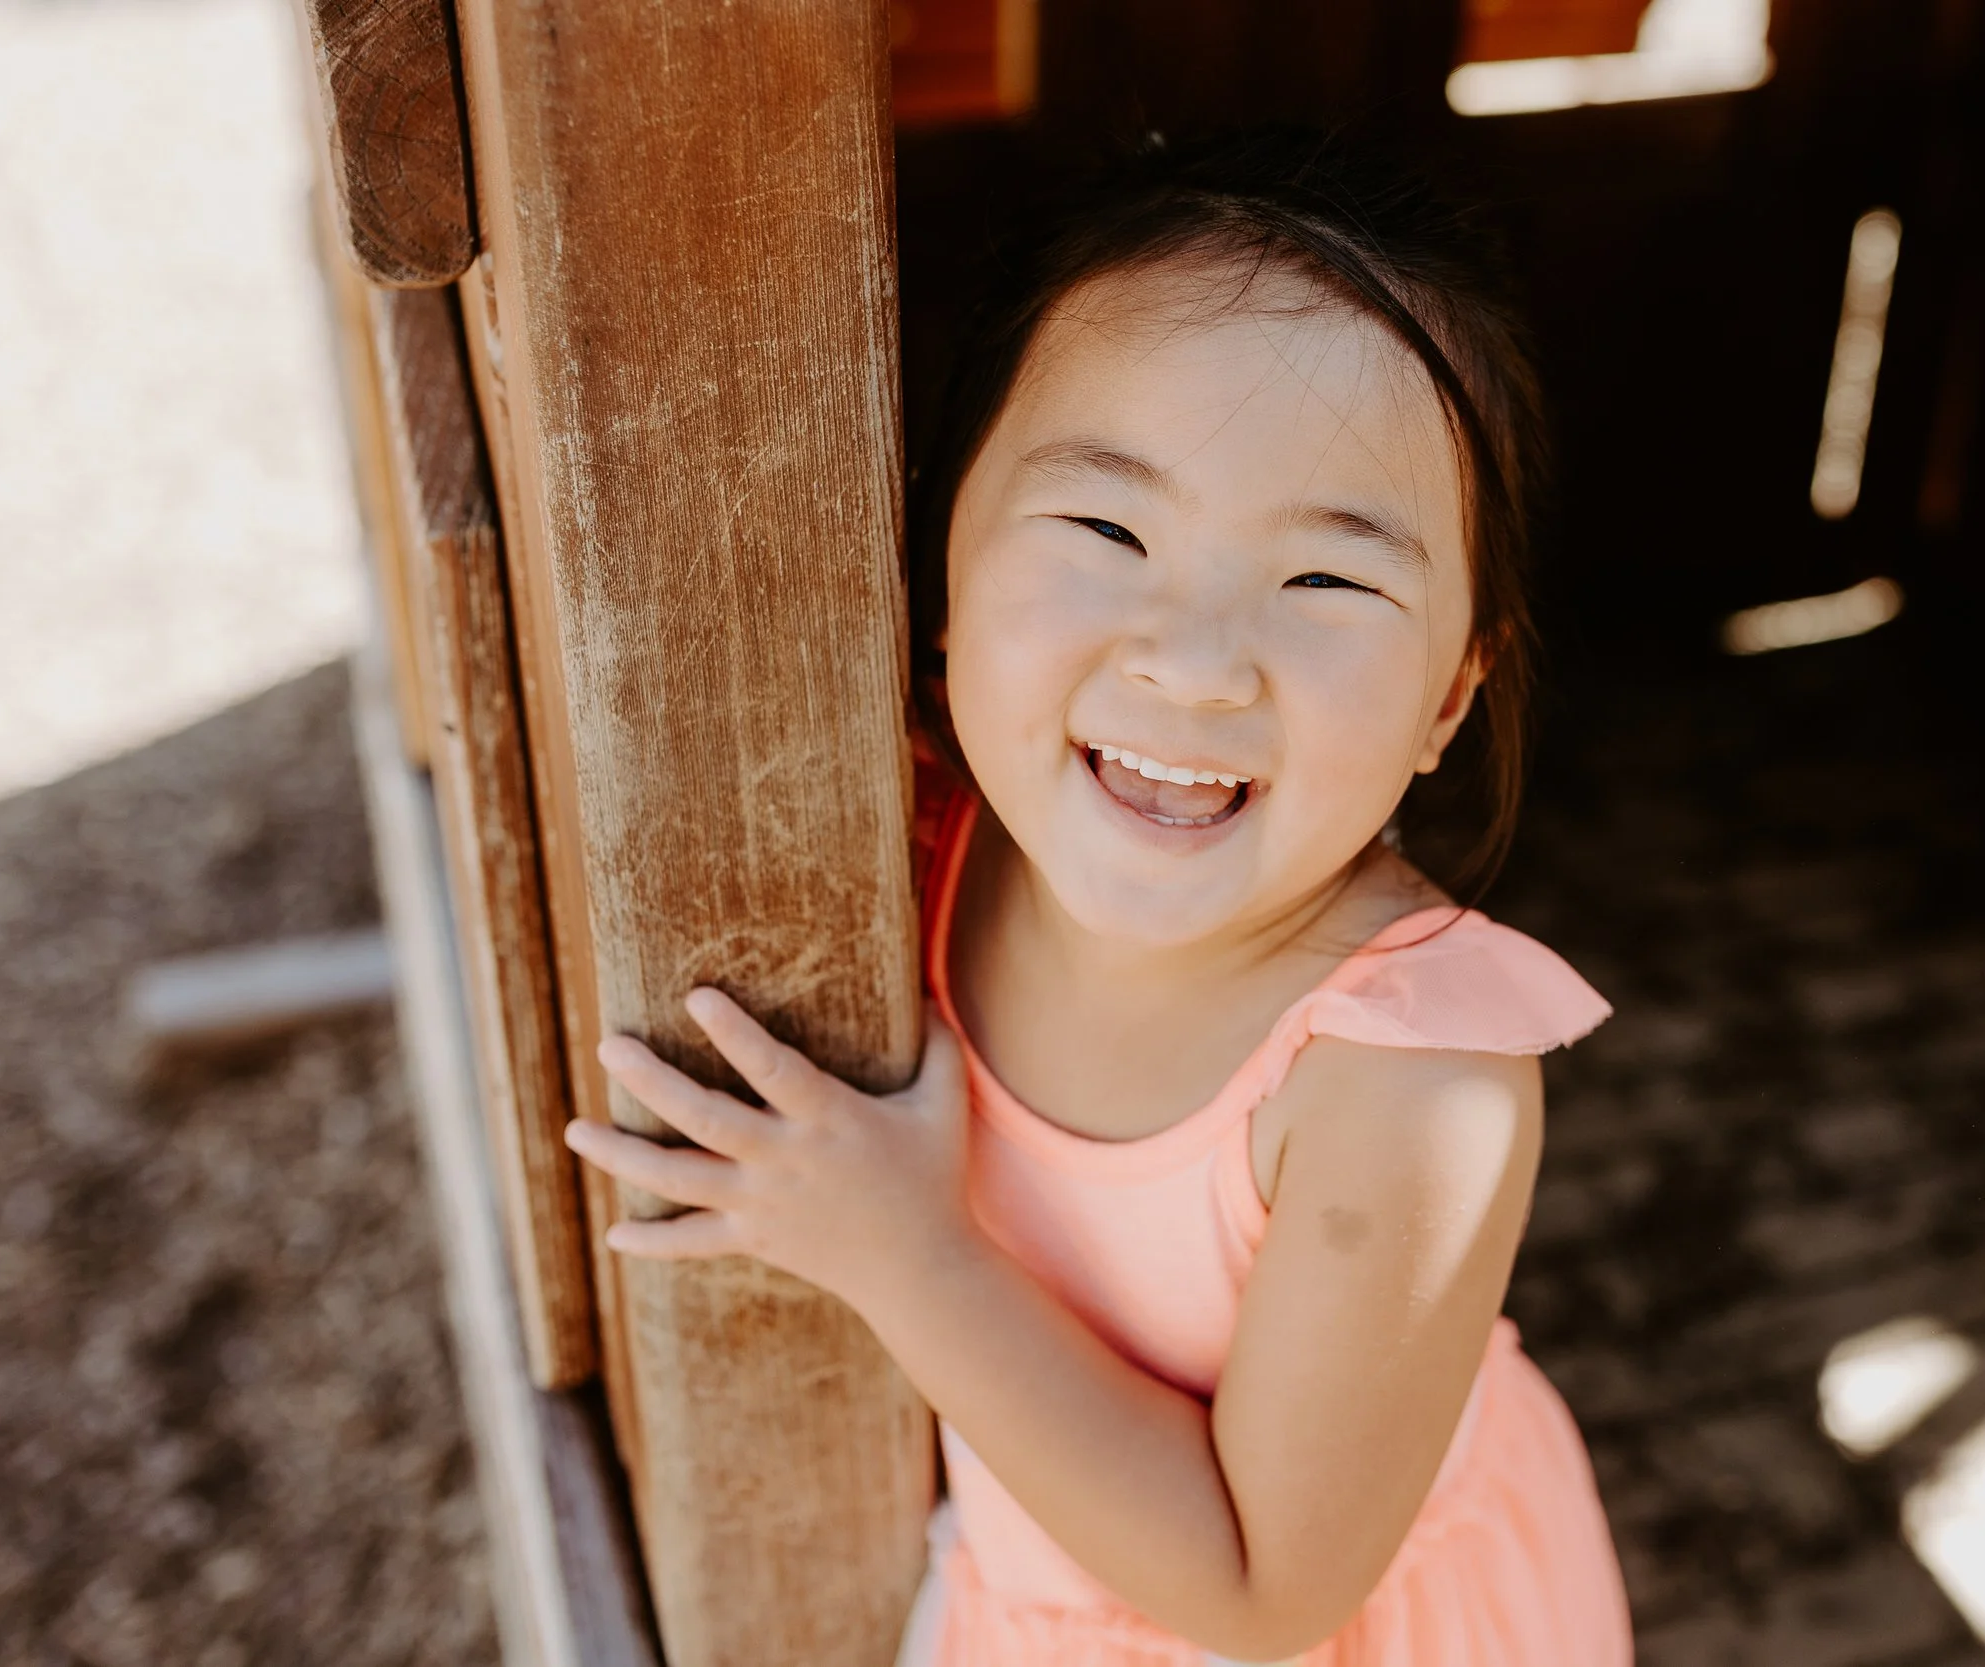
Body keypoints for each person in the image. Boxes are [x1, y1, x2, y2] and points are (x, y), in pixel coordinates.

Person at [563, 128, 1635, 1667]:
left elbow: (1268, 1593)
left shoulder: (1413, 1084)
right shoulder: (908, 823)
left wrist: (908, 1253)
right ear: (942, 563)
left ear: (1448, 701)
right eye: (1106, 530)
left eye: (1328, 581)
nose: (1193, 661)